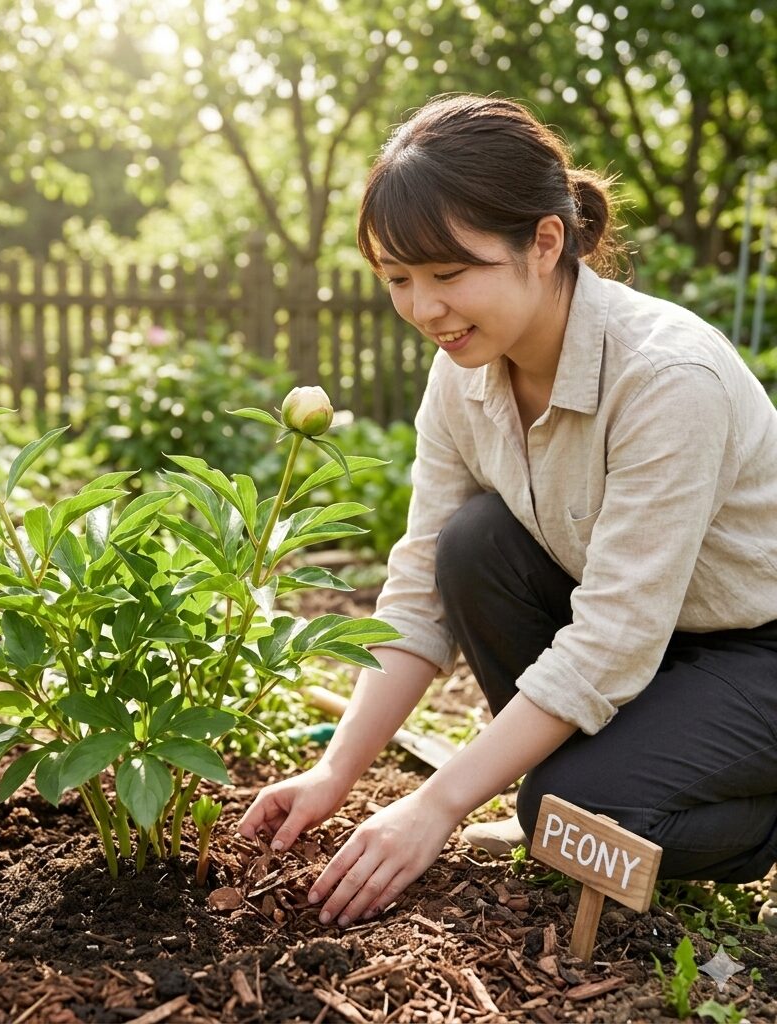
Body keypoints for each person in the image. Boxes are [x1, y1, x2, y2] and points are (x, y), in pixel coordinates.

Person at [238, 93, 777, 930]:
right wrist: (335, 774)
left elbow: (613, 637)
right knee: (470, 545)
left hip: (756, 649)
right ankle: (591, 779)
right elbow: (419, 585)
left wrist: (437, 804)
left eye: (449, 275)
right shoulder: (462, 375)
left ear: (546, 242)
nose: (424, 310)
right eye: (398, 280)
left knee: (568, 809)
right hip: (653, 644)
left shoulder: (668, 379)